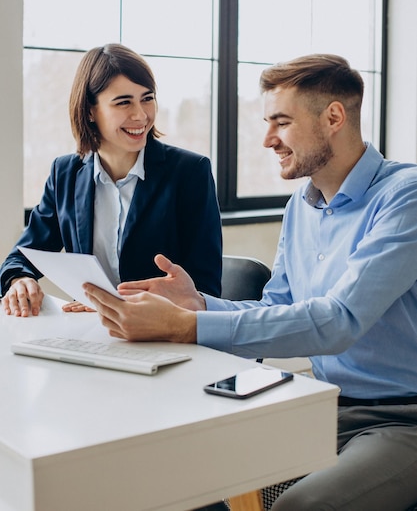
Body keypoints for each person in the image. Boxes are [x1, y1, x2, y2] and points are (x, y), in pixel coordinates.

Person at [82, 54, 417, 511]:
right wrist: (197, 306)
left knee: (300, 507)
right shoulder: (302, 205)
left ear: (333, 117)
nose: (267, 139)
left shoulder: (405, 198)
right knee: (176, 472)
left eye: (281, 122)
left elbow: (338, 321)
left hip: (402, 419)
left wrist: (186, 328)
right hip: (320, 405)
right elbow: (275, 305)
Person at [0, 43, 222, 317]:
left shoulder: (190, 172)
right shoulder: (65, 173)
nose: (141, 115)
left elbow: (206, 288)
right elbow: (23, 255)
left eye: (147, 98)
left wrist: (121, 303)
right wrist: (19, 280)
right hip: (90, 332)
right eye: (124, 102)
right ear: (90, 111)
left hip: (164, 333)